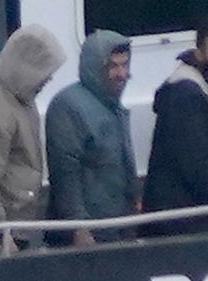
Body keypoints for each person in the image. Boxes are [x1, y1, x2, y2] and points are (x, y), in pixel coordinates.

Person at [0, 25, 65, 228]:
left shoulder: (22, 99)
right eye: (45, 71)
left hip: (16, 220)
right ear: (28, 69)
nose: (49, 78)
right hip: (0, 227)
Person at [143, 21, 208, 219]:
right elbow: (197, 165)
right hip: (182, 220)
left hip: (192, 216)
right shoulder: (186, 94)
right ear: (199, 53)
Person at [45, 30, 138, 228]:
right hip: (89, 230)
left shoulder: (112, 105)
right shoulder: (68, 106)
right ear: (94, 67)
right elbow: (66, 172)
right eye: (113, 66)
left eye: (125, 64)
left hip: (120, 223)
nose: (121, 74)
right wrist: (78, 226)